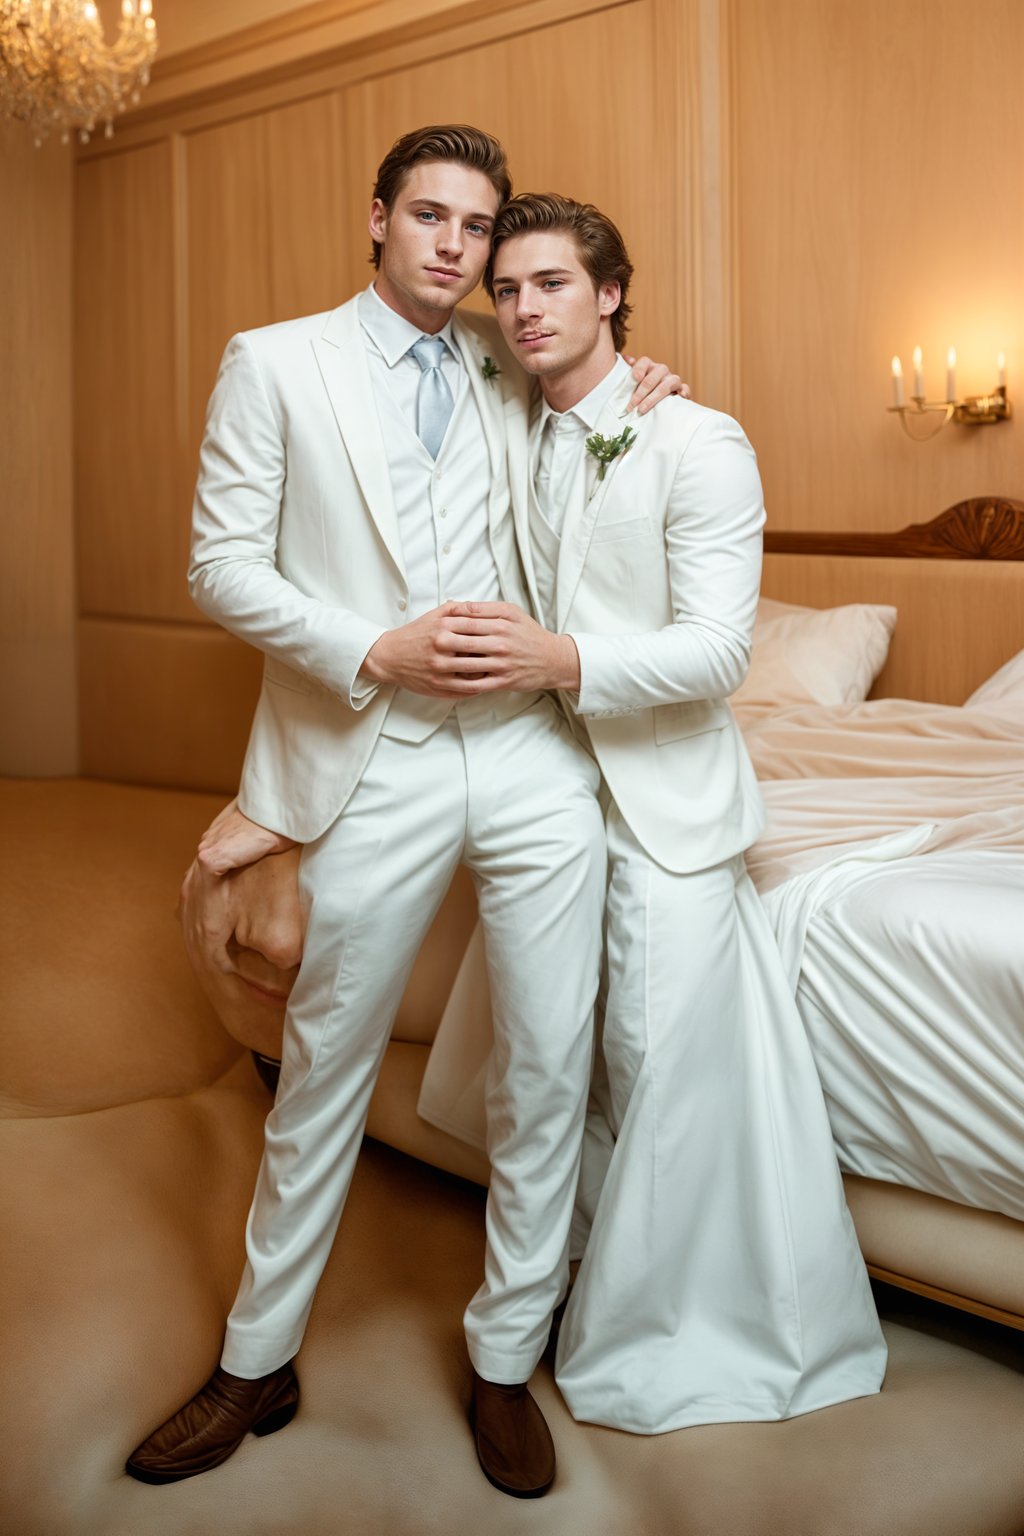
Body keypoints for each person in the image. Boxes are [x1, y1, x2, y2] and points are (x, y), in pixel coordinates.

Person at [125, 126, 683, 1498]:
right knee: (323, 1060)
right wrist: (370, 648)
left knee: (549, 1064)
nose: (455, 245)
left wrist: (633, 392)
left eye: (477, 227)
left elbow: (599, 456)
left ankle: (504, 1363)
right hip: (377, 754)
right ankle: (257, 1355)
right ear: (376, 218)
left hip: (533, 750)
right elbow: (218, 566)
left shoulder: (521, 354)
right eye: (428, 215)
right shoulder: (277, 361)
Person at [424, 191, 886, 1432]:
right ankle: (549, 1278)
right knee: (549, 1061)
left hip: (669, 801)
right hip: (540, 796)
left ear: (611, 293)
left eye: (553, 285)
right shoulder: (514, 418)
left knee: (658, 1064)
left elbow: (715, 653)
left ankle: (660, 1325)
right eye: (507, 289)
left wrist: (555, 661)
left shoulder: (699, 441)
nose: (522, 309)